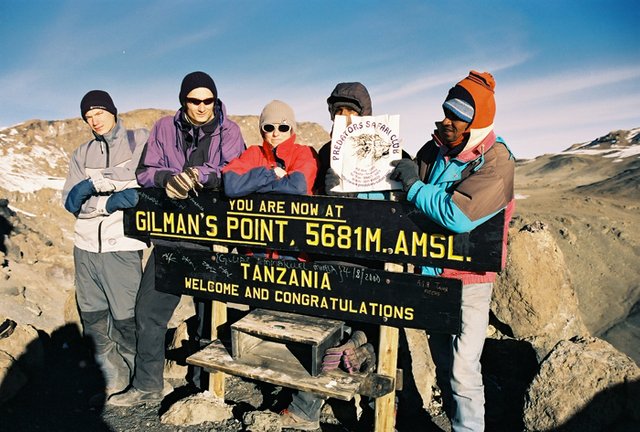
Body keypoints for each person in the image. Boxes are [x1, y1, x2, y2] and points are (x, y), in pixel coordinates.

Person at [108, 71, 246, 406]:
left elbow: (235, 171)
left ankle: (204, 388)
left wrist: (201, 175)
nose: (201, 107)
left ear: (215, 100)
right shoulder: (162, 128)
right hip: (170, 237)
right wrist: (167, 177)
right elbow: (145, 171)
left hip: (211, 240)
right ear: (183, 100)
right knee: (149, 312)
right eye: (194, 100)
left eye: (207, 100)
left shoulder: (230, 131)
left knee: (208, 317)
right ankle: (147, 385)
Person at [390, 70, 515, 432]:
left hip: (469, 279)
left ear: (475, 122)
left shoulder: (496, 161)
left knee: (463, 367)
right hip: (431, 274)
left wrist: (413, 184)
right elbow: (403, 198)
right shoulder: (435, 149)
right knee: (443, 358)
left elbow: (457, 214)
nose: (446, 120)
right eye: (445, 111)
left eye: (455, 115)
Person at [280, 82, 407, 431]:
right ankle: (307, 404)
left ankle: (378, 408)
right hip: (328, 255)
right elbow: (306, 198)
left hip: (370, 258)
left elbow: (399, 203)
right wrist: (325, 188)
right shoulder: (324, 152)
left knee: (378, 328)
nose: (344, 117)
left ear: (365, 114)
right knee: (323, 329)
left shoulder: (390, 149)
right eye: (338, 111)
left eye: (351, 111)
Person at [62, 90, 149, 404]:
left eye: (98, 112)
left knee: (126, 317)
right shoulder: (81, 153)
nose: (93, 120)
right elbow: (71, 201)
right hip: (84, 246)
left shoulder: (137, 140)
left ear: (112, 110)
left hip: (122, 245)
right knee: (93, 315)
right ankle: (112, 378)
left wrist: (98, 191)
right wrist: (100, 194)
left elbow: (141, 190)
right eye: (88, 116)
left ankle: (140, 380)